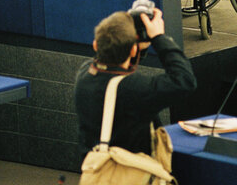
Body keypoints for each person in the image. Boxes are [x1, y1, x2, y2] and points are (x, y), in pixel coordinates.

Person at [74, 8, 196, 159]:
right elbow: (184, 80)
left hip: (98, 173)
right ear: (133, 50)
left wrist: (136, 47)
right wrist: (158, 37)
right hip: (132, 174)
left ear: (95, 45)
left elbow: (116, 66)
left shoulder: (85, 73)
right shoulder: (133, 89)